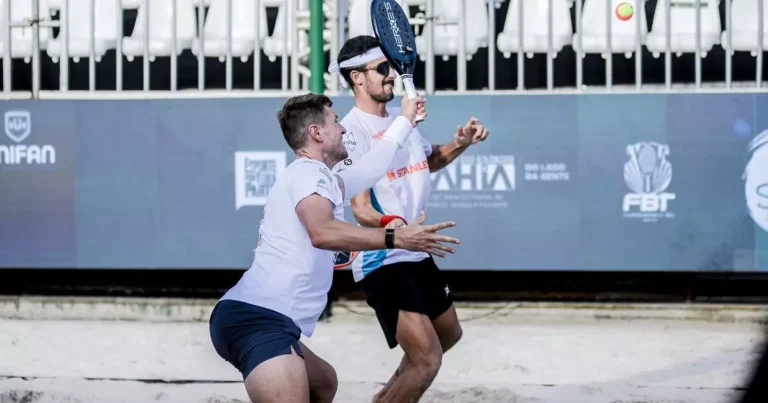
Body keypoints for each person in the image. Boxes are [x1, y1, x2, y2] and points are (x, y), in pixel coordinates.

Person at [209, 92, 461, 403]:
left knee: (324, 383)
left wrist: (405, 120)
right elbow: (323, 232)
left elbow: (373, 165)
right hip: (256, 320)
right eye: (335, 122)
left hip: (267, 320)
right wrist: (396, 238)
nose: (343, 130)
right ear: (316, 133)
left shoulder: (323, 178)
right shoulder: (307, 174)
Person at [328, 36, 490, 403]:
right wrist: (402, 231)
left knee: (448, 335)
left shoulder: (402, 121)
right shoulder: (352, 131)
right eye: (383, 68)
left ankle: (385, 398)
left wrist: (460, 142)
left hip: (415, 249)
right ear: (357, 77)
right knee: (427, 360)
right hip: (383, 256)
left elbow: (428, 160)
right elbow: (362, 210)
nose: (392, 76)